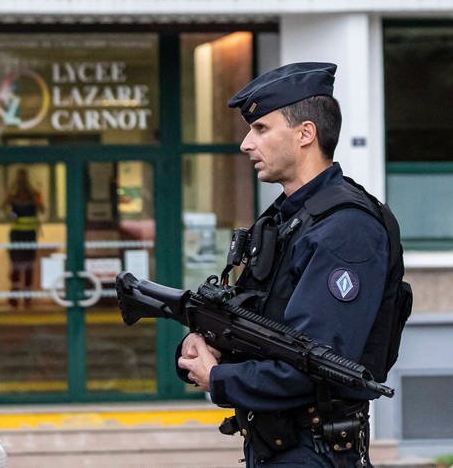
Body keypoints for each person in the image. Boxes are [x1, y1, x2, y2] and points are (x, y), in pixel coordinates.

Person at [176, 61, 411, 468]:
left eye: (261, 129)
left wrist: (219, 380)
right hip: (276, 446)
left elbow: (317, 365)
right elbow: (255, 326)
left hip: (313, 451)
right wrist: (199, 345)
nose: (247, 144)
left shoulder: (347, 229)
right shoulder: (284, 220)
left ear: (305, 134)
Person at [2, 168, 45, 308]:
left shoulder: (34, 196)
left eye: (23, 179)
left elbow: (42, 209)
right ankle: (14, 296)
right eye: (19, 179)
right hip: (17, 235)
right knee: (16, 265)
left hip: (30, 235)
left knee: (28, 266)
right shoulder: (12, 196)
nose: (21, 183)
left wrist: (34, 196)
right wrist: (11, 192)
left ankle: (27, 296)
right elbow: (3, 207)